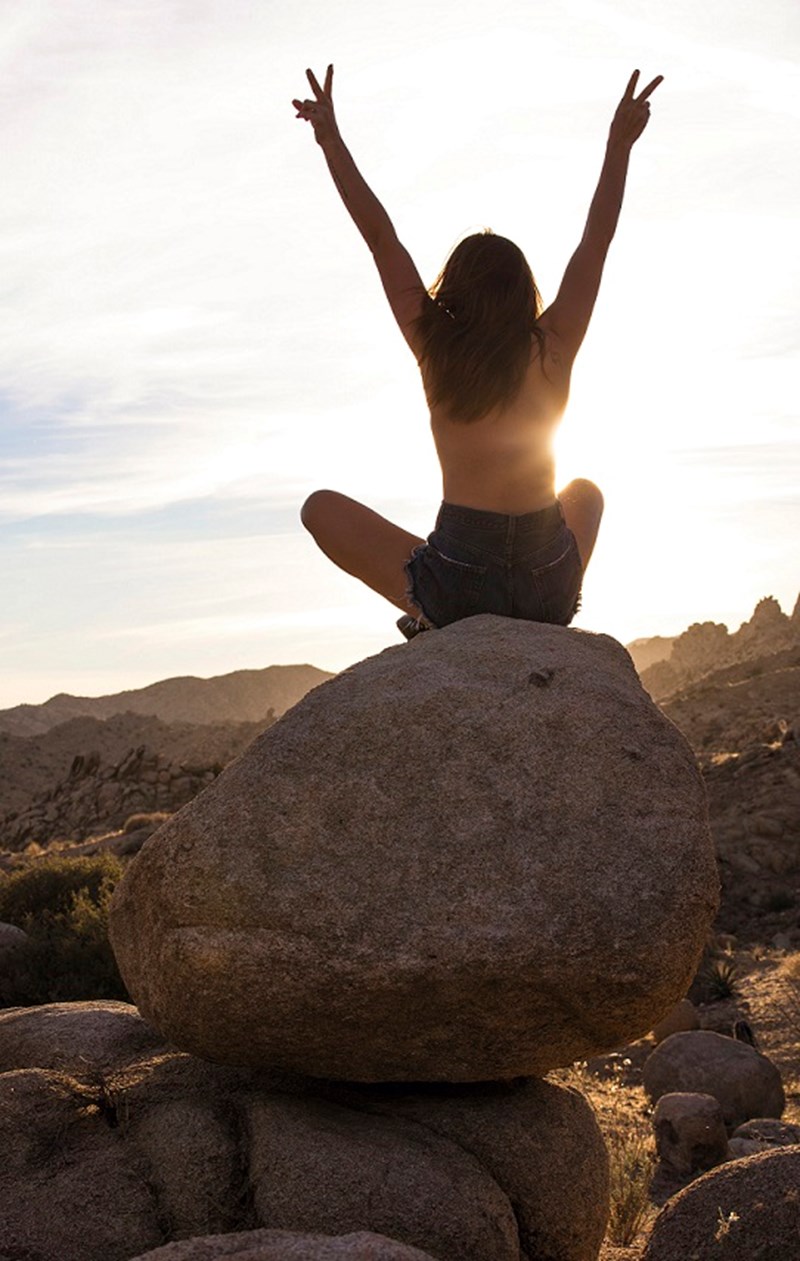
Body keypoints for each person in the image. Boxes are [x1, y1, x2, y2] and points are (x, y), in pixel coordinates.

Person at [293, 65, 662, 637]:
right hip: (548, 588)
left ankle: (428, 614)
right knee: (584, 493)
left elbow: (380, 238)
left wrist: (331, 142)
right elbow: (597, 239)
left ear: (454, 290)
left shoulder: (436, 347)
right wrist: (619, 145)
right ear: (524, 290)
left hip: (457, 587)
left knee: (318, 507)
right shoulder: (555, 343)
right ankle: (508, 602)